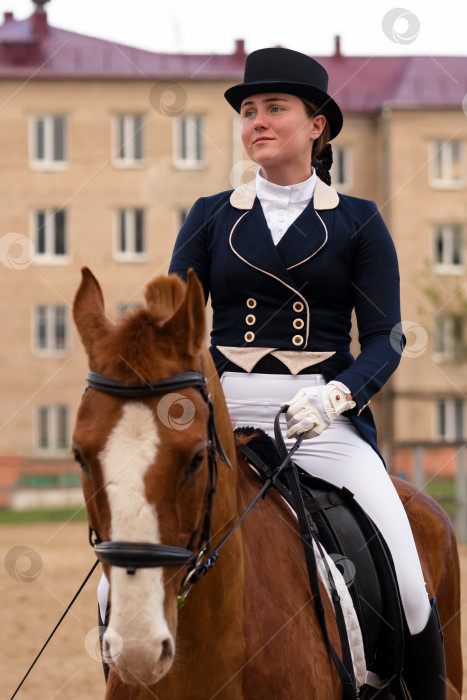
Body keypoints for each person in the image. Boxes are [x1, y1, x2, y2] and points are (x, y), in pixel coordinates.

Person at [168, 47, 445, 699]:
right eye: (249, 111)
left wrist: (337, 396)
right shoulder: (211, 214)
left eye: (273, 108)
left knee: (407, 578)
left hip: (320, 420)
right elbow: (177, 326)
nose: (256, 121)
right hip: (224, 415)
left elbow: (383, 337)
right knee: (134, 546)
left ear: (316, 124)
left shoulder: (357, 221)